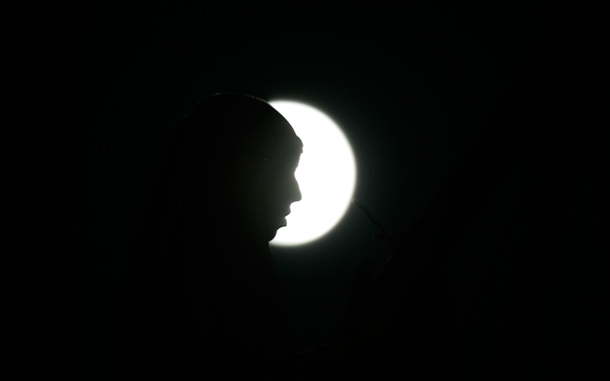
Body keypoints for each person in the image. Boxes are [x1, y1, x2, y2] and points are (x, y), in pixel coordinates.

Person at [114, 93, 351, 380]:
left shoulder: (162, 291)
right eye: (284, 170)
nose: (296, 193)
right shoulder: (188, 308)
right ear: (239, 172)